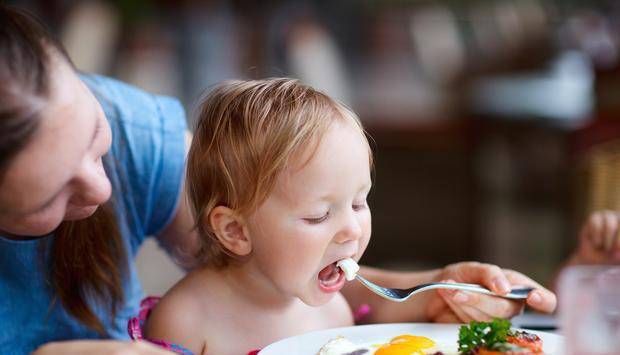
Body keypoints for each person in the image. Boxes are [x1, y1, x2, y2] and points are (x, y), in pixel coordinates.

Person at [0, 5, 556, 355]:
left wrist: (435, 290)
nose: (102, 194)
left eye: (97, 137)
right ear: (234, 230)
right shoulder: (188, 319)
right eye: (53, 194)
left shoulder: (313, 291)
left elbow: (303, 283)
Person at [135, 78, 556, 355]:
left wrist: (461, 291)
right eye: (319, 215)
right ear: (235, 230)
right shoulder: (186, 321)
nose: (353, 229)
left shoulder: (334, 305)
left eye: (359, 203)